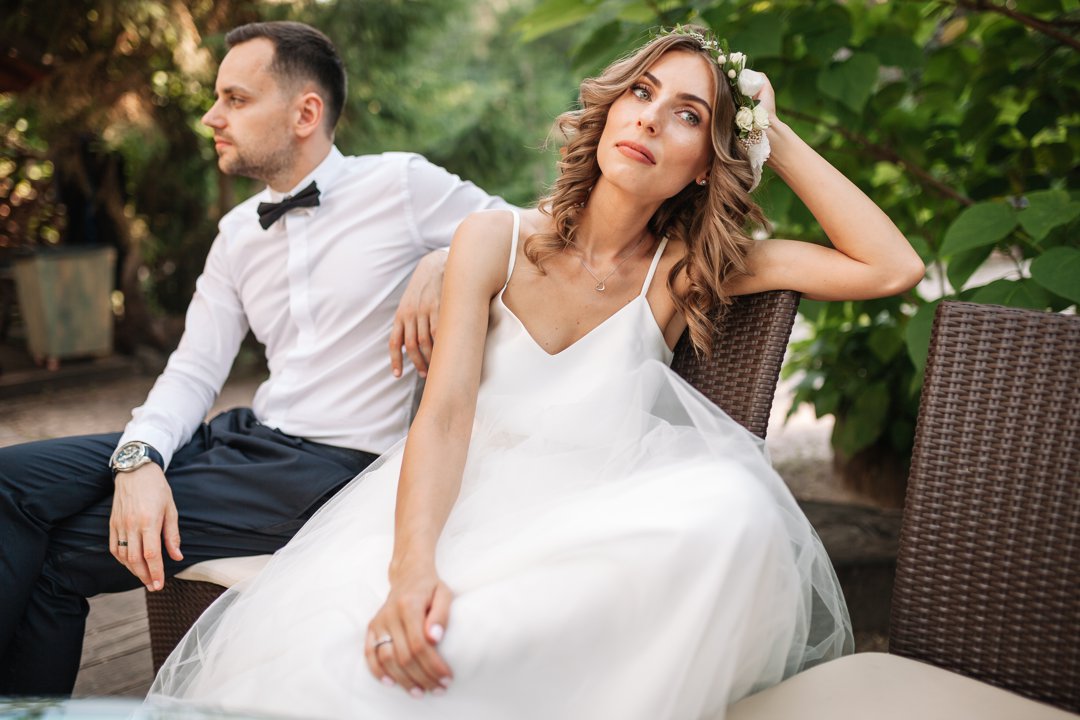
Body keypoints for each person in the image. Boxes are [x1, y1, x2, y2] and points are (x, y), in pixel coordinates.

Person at [148, 26, 924, 718]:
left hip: (590, 536)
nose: (651, 118)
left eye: (688, 115)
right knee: (377, 665)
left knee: (733, 502)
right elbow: (443, 416)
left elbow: (891, 266)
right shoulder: (493, 240)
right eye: (642, 93)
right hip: (459, 517)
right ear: (609, 112)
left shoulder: (681, 271)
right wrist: (412, 571)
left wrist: (769, 131)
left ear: (703, 166)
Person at [0, 21, 506, 695]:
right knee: (10, 478)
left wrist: (450, 256)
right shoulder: (237, 233)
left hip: (333, 469)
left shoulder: (402, 186)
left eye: (235, 99)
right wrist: (141, 458)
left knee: (60, 556)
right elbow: (192, 369)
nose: (212, 117)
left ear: (305, 113)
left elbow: (531, 233)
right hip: (245, 438)